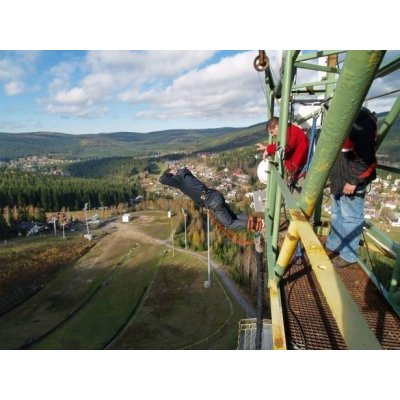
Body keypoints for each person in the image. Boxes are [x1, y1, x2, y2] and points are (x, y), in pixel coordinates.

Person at [325, 106, 378, 268]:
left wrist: (353, 181)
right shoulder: (348, 122)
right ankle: (334, 244)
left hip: (351, 182)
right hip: (340, 178)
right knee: (336, 214)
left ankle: (348, 255)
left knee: (351, 218)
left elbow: (366, 159)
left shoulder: (362, 125)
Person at [159, 166, 263, 232]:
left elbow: (162, 179)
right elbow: (197, 189)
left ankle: (258, 226)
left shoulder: (179, 180)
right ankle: (258, 221)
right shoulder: (185, 173)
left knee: (230, 224)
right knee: (234, 216)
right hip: (215, 196)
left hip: (213, 202)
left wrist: (168, 172)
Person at [256, 117, 309, 185]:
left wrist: (268, 149)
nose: (272, 135)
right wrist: (266, 147)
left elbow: (284, 148)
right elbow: (283, 145)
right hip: (298, 172)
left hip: (302, 172)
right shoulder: (289, 130)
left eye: (272, 132)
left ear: (277, 126)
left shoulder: (291, 132)